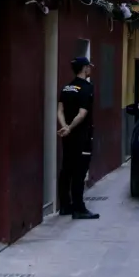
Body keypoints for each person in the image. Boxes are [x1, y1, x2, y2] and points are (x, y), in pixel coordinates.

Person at [57, 57, 99, 219]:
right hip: (81, 136)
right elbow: (82, 114)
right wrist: (70, 128)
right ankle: (78, 208)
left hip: (67, 137)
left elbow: (60, 110)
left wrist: (65, 127)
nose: (90, 69)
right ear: (84, 68)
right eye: (89, 66)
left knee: (66, 169)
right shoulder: (87, 88)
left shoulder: (66, 88)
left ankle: (65, 206)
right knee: (79, 172)